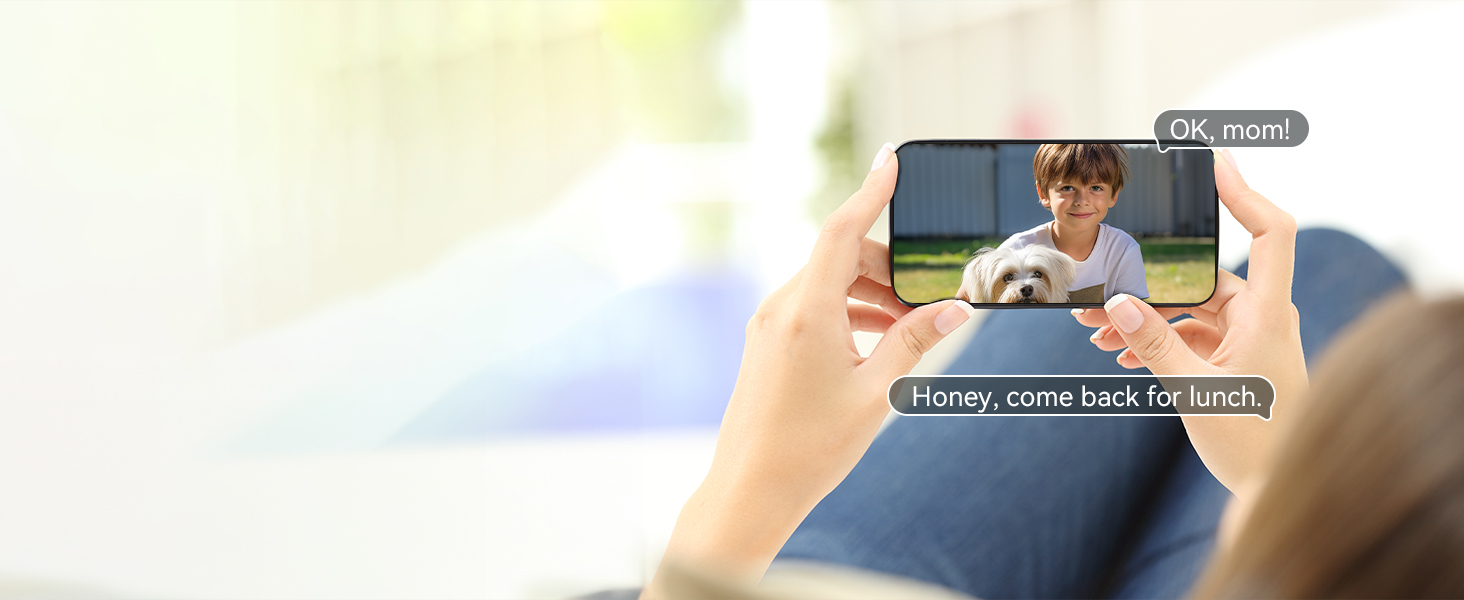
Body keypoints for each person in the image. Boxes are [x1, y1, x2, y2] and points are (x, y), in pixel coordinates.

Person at [637, 143, 1456, 598]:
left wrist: (742, 496)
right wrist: (1289, 489)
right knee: (1330, 262)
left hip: (827, 576)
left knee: (1328, 266)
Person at [999, 143, 1147, 303]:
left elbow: (1135, 315)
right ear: (1043, 193)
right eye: (1067, 187)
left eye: (1096, 188)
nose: (1082, 201)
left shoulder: (1123, 249)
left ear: (1113, 195)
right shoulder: (1016, 248)